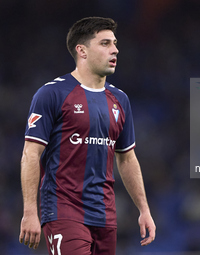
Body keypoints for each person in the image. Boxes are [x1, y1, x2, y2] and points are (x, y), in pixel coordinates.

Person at [19, 16, 156, 255]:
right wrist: (30, 212)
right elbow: (31, 154)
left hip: (105, 215)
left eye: (114, 43)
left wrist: (144, 209)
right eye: (105, 43)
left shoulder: (119, 100)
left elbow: (127, 158)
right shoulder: (52, 94)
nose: (115, 50)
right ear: (81, 50)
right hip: (63, 210)